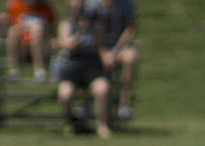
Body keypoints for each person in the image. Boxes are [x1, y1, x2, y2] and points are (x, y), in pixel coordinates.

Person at [56, 0, 110, 138]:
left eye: (80, 8)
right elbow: (68, 46)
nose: (78, 12)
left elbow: (99, 44)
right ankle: (71, 122)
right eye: (75, 9)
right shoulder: (66, 25)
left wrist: (91, 29)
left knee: (102, 89)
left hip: (92, 67)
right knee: (65, 94)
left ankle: (102, 125)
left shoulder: (96, 25)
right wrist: (80, 32)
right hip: (71, 68)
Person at [82, 0, 135, 120]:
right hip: (95, 46)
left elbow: (129, 29)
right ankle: (86, 105)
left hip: (118, 47)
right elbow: (90, 29)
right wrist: (103, 52)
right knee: (83, 56)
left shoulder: (127, 3)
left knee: (130, 57)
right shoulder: (92, 5)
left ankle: (124, 104)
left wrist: (115, 52)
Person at [5, 0, 57, 83]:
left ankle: (39, 70)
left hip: (42, 47)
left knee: (37, 29)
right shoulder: (13, 4)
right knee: (12, 31)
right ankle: (14, 71)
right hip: (22, 48)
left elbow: (52, 31)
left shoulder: (46, 5)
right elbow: (8, 23)